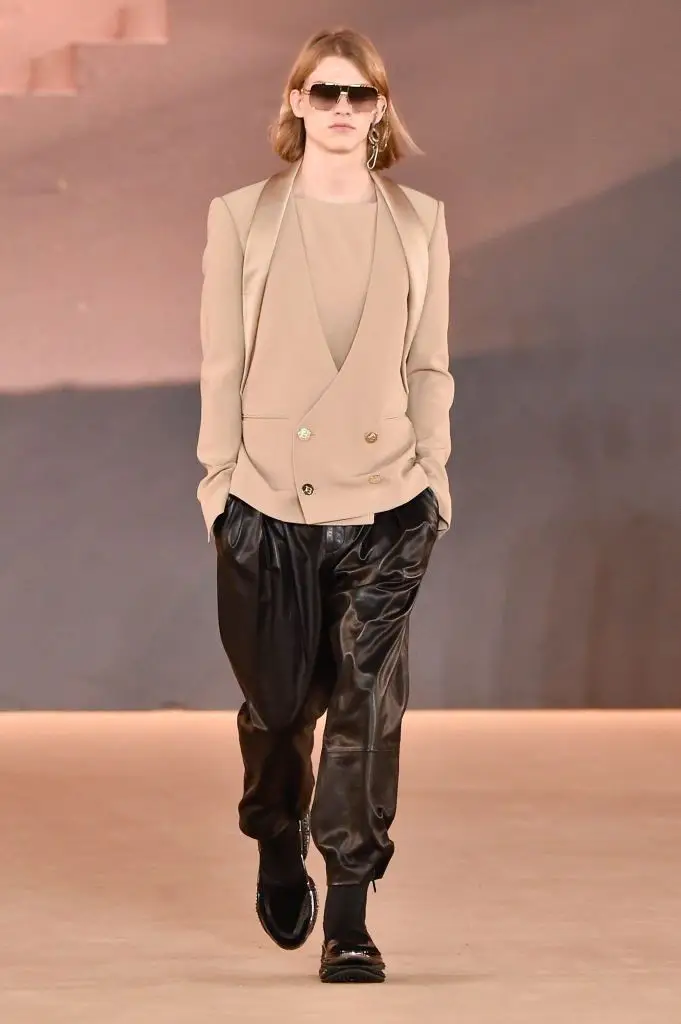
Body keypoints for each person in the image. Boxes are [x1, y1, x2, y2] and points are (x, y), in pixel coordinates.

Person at [196, 25, 454, 984]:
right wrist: (217, 488)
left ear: (380, 109)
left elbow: (427, 363)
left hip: (388, 501)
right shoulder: (243, 217)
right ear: (295, 102)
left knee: (366, 709)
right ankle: (275, 830)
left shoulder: (419, 221)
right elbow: (221, 361)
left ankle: (349, 913)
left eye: (360, 94)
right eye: (325, 92)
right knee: (276, 710)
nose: (342, 109)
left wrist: (435, 479)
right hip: (266, 501)